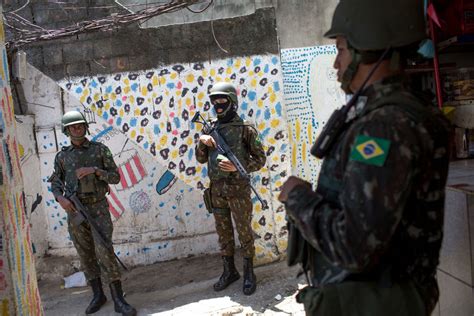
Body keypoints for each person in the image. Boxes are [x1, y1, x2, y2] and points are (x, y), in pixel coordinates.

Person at [278, 1, 451, 315]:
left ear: (369, 49)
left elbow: (354, 246)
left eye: (341, 49)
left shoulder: (385, 128)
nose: (336, 64)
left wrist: (298, 198)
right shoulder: (394, 115)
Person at [49, 110, 137, 316]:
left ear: (85, 127)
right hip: (74, 211)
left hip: (97, 208)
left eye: (80, 125)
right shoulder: (62, 156)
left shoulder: (100, 150)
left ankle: (118, 298)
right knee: (85, 254)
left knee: (104, 251)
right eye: (72, 127)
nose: (77, 129)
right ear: (67, 130)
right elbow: (55, 182)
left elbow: (115, 177)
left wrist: (95, 171)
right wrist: (60, 198)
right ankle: (98, 295)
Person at [195, 82, 266, 295]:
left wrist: (238, 166)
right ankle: (229, 272)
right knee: (223, 234)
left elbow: (260, 159)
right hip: (217, 191)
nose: (217, 104)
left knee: (244, 231)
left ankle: (249, 273)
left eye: (222, 100)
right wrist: (202, 142)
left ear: (232, 102)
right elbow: (200, 159)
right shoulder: (209, 127)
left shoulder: (245, 128)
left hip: (238, 190)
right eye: (214, 101)